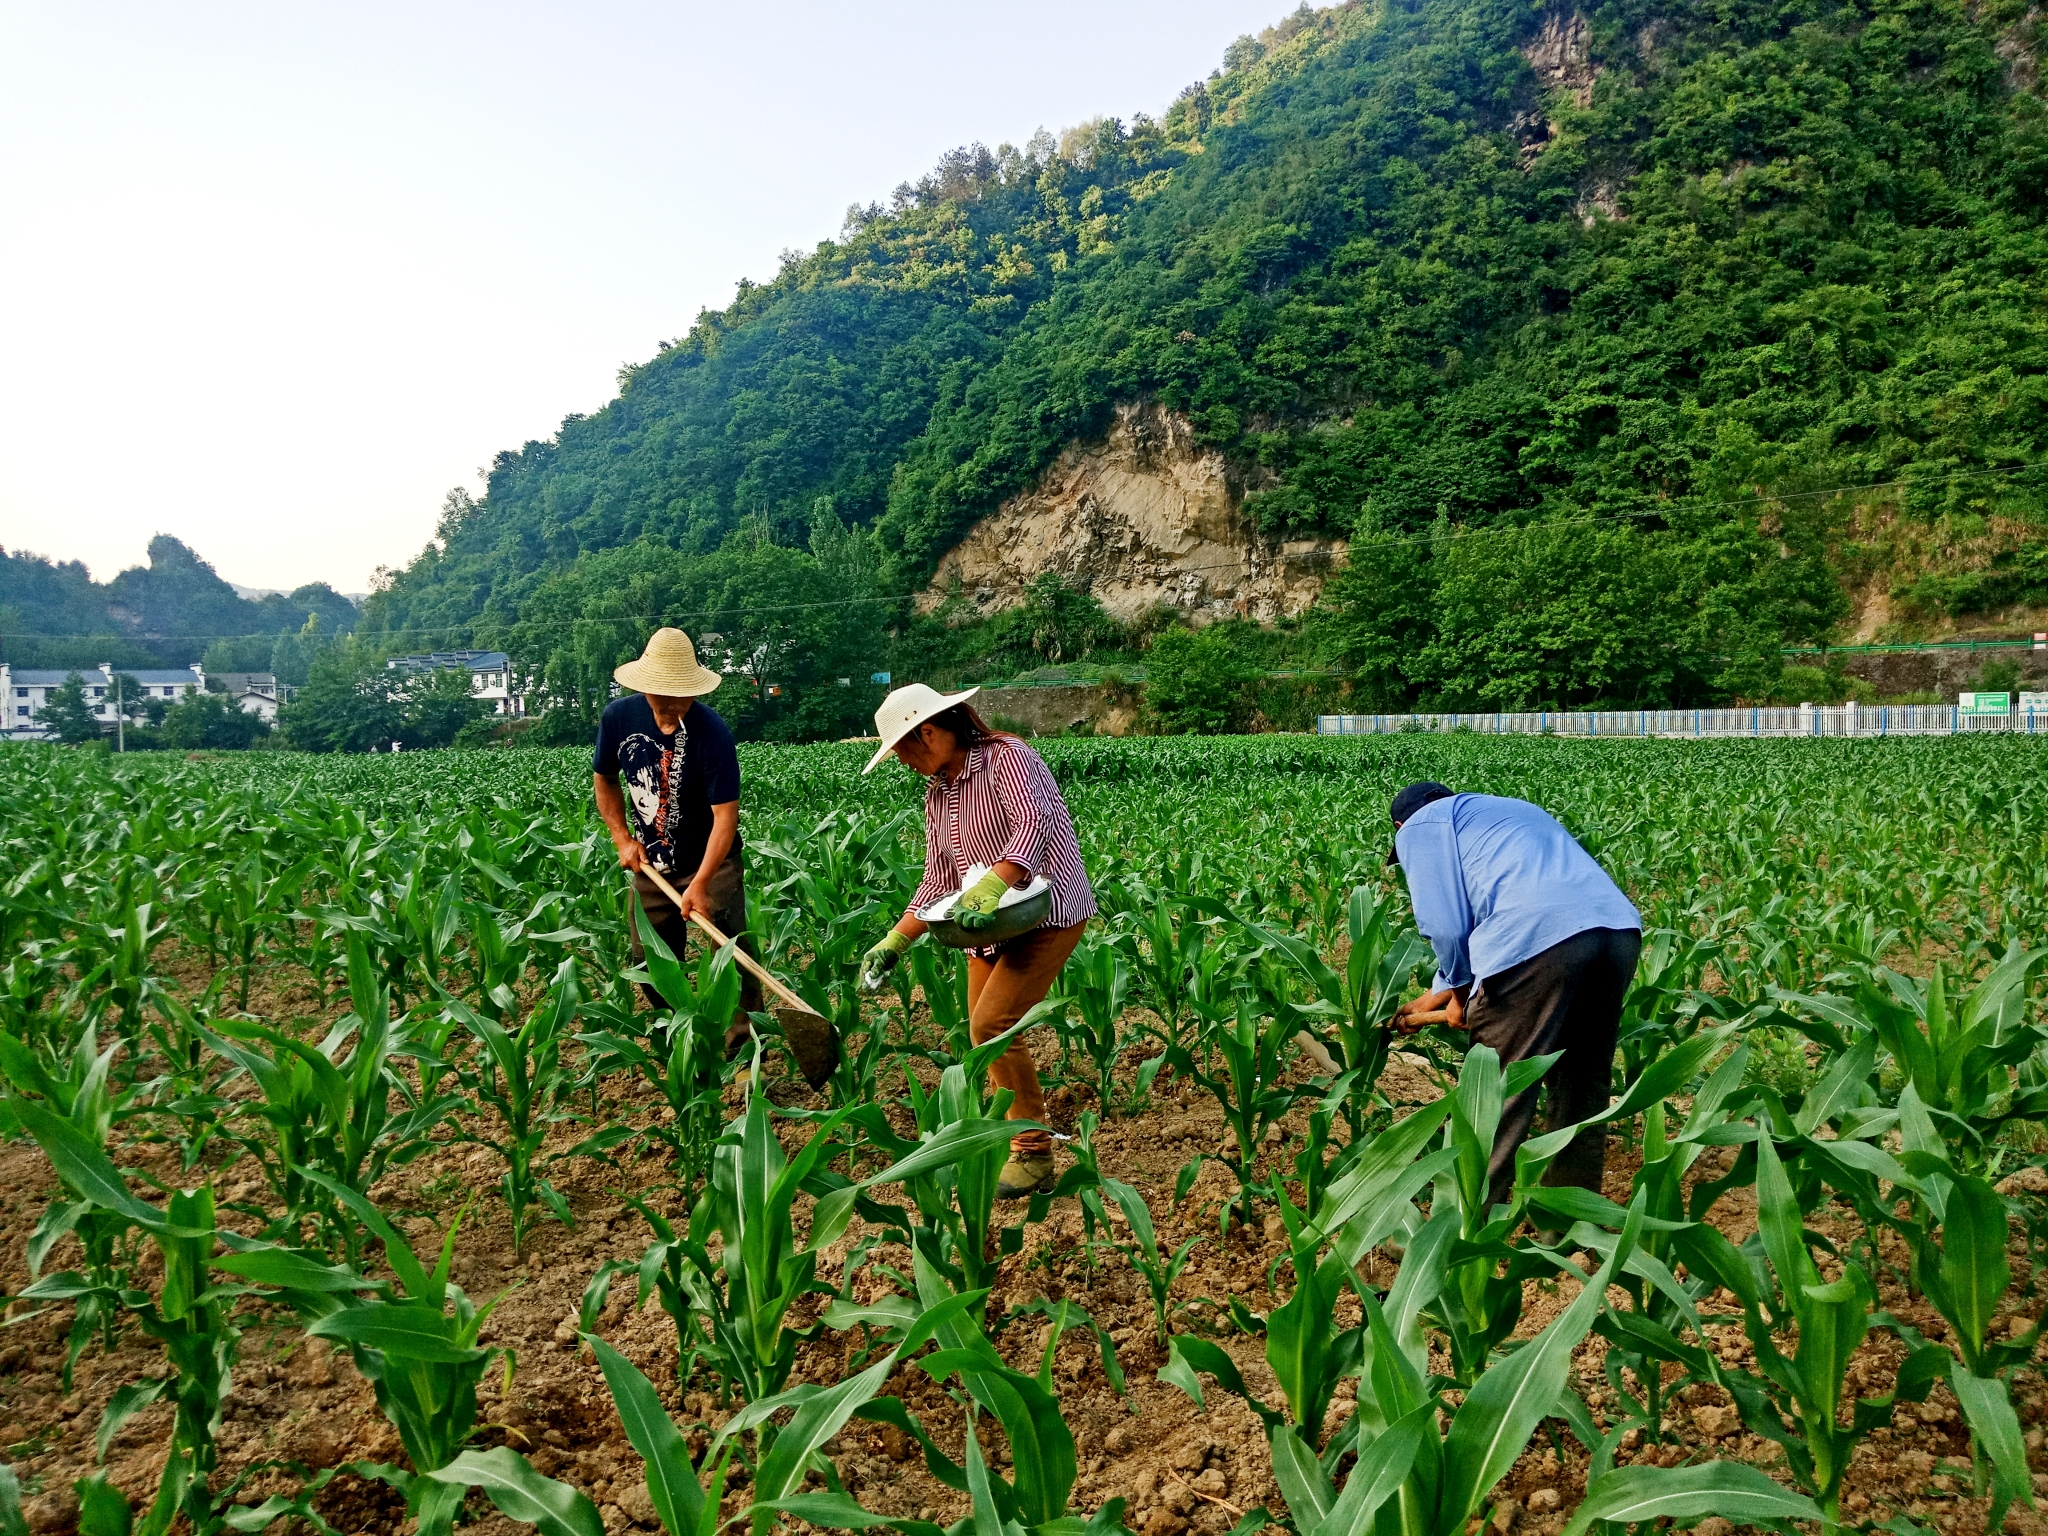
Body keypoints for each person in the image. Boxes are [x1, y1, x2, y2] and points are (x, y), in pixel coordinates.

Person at [859, 683, 1097, 1198]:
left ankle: (1032, 1151)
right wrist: (895, 941)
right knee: (982, 1036)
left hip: (1046, 912)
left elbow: (1033, 823)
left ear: (928, 733)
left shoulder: (1006, 758)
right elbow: (938, 878)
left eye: (901, 750)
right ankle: (1008, 1132)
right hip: (986, 927)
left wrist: (994, 882)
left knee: (993, 1023)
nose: (902, 762)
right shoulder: (937, 792)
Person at [1387, 780, 1641, 1207]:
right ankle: (1572, 1226)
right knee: (1583, 1087)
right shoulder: (1505, 811)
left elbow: (1448, 927)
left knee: (1496, 1091)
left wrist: (1462, 994)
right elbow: (1520, 892)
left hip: (1537, 943)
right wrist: (1440, 993)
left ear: (1399, 825)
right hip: (1615, 932)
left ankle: (1457, 1230)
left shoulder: (1418, 826)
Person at [592, 627, 762, 1046]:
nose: (672, 705)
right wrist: (621, 838)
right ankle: (683, 1033)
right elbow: (604, 780)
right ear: (644, 688)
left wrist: (702, 882)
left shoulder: (712, 732)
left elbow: (725, 817)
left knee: (729, 954)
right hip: (652, 861)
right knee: (648, 960)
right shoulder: (619, 718)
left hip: (712, 859)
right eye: (662, 695)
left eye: (681, 695)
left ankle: (741, 1044)